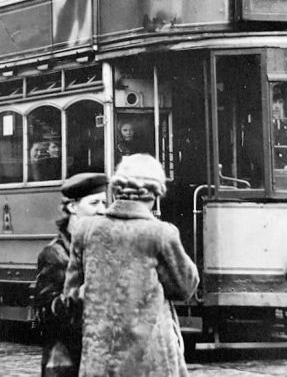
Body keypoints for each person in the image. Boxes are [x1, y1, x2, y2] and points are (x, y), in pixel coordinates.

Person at [63, 154, 199, 377]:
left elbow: (70, 297)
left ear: (116, 189)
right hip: (150, 363)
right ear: (155, 194)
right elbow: (185, 288)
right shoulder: (161, 233)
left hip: (100, 360)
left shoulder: (85, 230)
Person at [33, 173, 108, 377]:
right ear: (72, 207)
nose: (102, 210)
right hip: (67, 364)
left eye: (104, 202)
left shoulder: (101, 248)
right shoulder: (55, 254)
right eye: (94, 203)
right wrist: (82, 294)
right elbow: (45, 313)